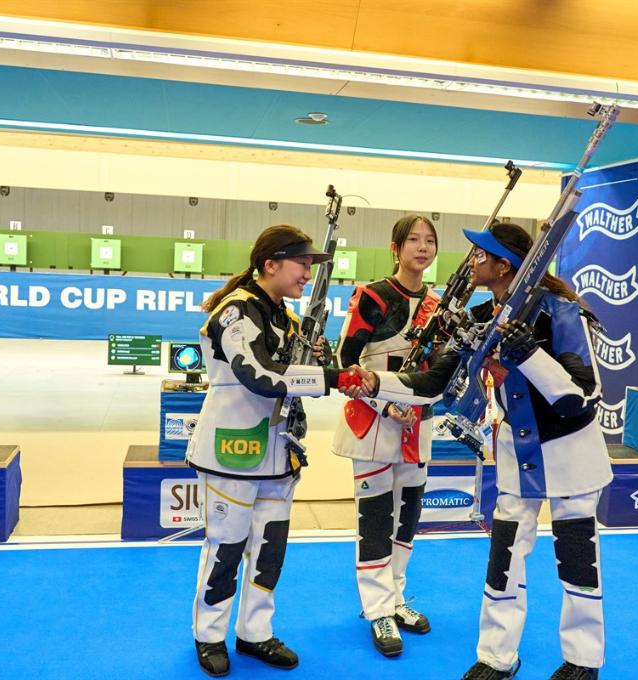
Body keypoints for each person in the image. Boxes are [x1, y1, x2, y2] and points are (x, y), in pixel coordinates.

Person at [341, 223, 612, 680]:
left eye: (481, 255)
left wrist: (530, 354)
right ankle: (496, 657)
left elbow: (583, 395)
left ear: (504, 265)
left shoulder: (561, 312)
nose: (473, 262)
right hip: (517, 456)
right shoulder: (482, 317)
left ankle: (583, 660)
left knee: (577, 561)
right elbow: (432, 383)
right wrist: (374, 382)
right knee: (503, 562)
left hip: (570, 453)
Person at [186, 224, 348, 677]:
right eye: (302, 263)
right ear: (270, 264)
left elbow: (298, 373)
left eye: (311, 265)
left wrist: (319, 357)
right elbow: (259, 374)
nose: (307, 273)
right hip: (231, 453)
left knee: (269, 551)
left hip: (279, 455)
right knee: (226, 549)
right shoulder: (235, 311)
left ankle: (255, 632)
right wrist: (328, 378)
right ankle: (209, 635)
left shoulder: (288, 319)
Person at [331, 214, 440, 657]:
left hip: (418, 423)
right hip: (374, 423)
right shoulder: (372, 296)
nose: (422, 247)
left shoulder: (439, 306)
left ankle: (396, 597)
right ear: (395, 248)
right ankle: (377, 609)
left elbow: (442, 369)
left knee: (407, 516)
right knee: (375, 518)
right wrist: (386, 403)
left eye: (429, 240)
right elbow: (346, 361)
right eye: (413, 239)